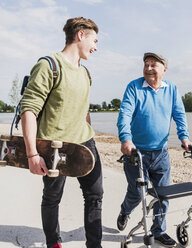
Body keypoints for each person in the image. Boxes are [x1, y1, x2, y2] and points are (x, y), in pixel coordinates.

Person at [20, 17, 103, 248]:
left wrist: (90, 134)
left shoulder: (86, 73)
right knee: (52, 198)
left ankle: (95, 245)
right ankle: (53, 243)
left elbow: (84, 111)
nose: (95, 47)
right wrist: (32, 154)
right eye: (94, 40)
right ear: (80, 35)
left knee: (95, 196)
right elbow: (29, 109)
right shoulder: (49, 65)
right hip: (56, 147)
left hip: (86, 144)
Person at [117, 52, 192, 247]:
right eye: (146, 64)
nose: (148, 68)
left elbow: (179, 114)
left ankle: (158, 231)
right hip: (137, 154)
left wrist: (184, 137)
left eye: (153, 64)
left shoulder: (172, 89)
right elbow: (125, 113)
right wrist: (126, 139)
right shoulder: (134, 87)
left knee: (163, 194)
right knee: (136, 194)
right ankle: (125, 211)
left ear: (164, 70)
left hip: (161, 153)